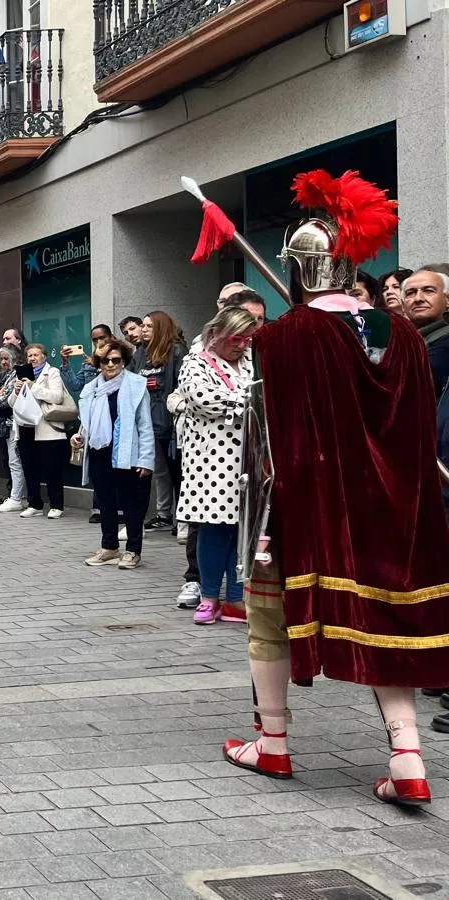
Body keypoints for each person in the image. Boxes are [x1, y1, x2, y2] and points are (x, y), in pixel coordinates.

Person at [220, 170, 440, 806]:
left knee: (267, 618)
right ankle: (406, 755)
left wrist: (258, 520)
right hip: (395, 511)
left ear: (300, 268)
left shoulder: (282, 336)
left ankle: (274, 742)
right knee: (387, 624)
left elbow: (261, 439)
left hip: (307, 506)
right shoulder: (398, 331)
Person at [174, 307, 257, 625]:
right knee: (213, 529)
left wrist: (245, 397)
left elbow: (262, 391)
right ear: (217, 333)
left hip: (248, 459)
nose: (242, 345)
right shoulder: (194, 362)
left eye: (247, 339)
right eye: (236, 338)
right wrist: (249, 399)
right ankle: (209, 597)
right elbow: (205, 400)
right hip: (211, 463)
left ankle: (236, 598)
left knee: (243, 530)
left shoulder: (251, 359)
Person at [71, 339, 154, 569]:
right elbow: (87, 422)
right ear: (98, 362)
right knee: (105, 501)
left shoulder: (136, 385)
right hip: (99, 452)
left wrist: (146, 460)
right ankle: (109, 547)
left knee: (131, 504)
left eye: (116, 360)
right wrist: (79, 436)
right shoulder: (92, 389)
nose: (110, 364)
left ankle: (133, 551)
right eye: (105, 360)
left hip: (127, 453)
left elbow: (145, 425)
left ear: (124, 361)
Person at [134, 311, 186, 531]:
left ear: (161, 328)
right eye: (143, 326)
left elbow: (180, 386)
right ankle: (163, 515)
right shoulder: (140, 353)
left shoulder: (176, 350)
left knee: (178, 471)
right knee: (160, 471)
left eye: (149, 326)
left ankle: (182, 518)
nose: (143, 329)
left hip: (170, 423)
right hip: (147, 423)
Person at [14, 343, 72, 519]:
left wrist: (33, 387)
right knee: (30, 468)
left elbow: (57, 396)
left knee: (52, 468)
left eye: (36, 355)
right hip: (26, 428)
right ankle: (35, 504)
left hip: (47, 428)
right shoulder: (21, 373)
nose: (32, 358)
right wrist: (16, 392)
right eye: (29, 355)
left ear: (44, 356)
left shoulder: (52, 372)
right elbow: (12, 403)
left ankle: (56, 505)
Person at [0, 345, 27, 511]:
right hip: (13, 422)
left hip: (19, 422)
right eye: (1, 359)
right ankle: (21, 497)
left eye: (6, 358)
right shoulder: (8, 374)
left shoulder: (22, 371)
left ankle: (17, 498)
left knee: (15, 462)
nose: (3, 362)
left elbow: (6, 399)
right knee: (15, 461)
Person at [402, 268, 449, 396]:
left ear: (447, 300)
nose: (418, 298)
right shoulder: (403, 340)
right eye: (410, 293)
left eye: (428, 291)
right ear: (403, 305)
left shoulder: (445, 342)